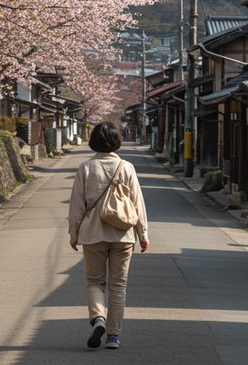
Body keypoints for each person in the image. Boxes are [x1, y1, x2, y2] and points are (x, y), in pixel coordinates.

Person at [68, 121, 149, 350]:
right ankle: (113, 336)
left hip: (93, 233)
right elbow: (137, 203)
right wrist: (142, 233)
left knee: (94, 281)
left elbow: (76, 206)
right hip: (123, 234)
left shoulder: (85, 168)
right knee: (118, 285)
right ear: (117, 141)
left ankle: (98, 318)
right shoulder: (127, 167)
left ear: (93, 141)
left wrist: (74, 233)